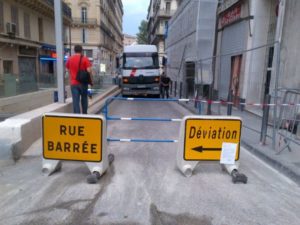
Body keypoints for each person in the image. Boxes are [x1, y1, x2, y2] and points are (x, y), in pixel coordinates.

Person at [66, 45, 92, 114]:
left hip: (74, 83)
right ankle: (84, 115)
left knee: (75, 101)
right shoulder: (85, 59)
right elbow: (89, 71)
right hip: (83, 83)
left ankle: (77, 116)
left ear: (74, 50)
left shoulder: (70, 59)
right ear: (81, 50)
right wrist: (90, 81)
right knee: (84, 99)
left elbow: (68, 69)